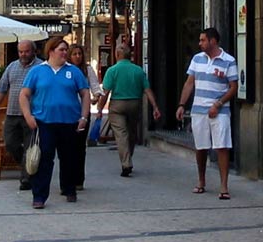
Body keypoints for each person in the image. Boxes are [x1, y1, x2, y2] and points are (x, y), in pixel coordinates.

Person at [20, 37, 90, 209]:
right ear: (51, 51)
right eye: (61, 49)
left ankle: (69, 189)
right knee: (44, 160)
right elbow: (24, 95)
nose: (65, 53)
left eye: (66, 50)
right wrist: (28, 116)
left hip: (69, 122)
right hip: (45, 122)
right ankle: (39, 196)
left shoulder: (73, 72)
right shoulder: (37, 71)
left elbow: (85, 94)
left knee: (69, 158)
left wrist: (84, 117)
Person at [175, 27, 238, 200]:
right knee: (201, 147)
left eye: (203, 40)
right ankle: (201, 180)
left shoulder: (228, 61)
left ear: (213, 41)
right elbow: (189, 83)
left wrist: (218, 104)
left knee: (222, 146)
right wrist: (182, 104)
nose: (199, 43)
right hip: (199, 109)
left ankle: (224, 186)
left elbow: (233, 88)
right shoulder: (197, 59)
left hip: (220, 111)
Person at [98, 43, 161, 177]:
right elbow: (147, 90)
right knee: (131, 133)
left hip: (117, 105)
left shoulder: (112, 70)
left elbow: (106, 92)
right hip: (135, 104)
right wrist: (155, 107)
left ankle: (126, 163)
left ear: (117, 54)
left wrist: (99, 108)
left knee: (121, 134)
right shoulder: (138, 70)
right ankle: (128, 156)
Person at [0, 40, 43, 190]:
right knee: (10, 144)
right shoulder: (12, 66)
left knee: (29, 147)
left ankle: (26, 179)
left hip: (32, 115)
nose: (23, 54)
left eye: (26, 51)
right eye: (21, 52)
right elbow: (2, 88)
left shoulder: (41, 67)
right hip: (12, 113)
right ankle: (28, 166)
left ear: (34, 51)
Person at [68, 43, 103, 189]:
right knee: (68, 147)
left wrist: (95, 97)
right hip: (67, 113)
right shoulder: (65, 70)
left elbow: (95, 88)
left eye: (79, 54)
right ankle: (68, 177)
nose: (77, 56)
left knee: (80, 147)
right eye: (74, 54)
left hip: (83, 113)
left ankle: (78, 180)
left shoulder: (87, 70)